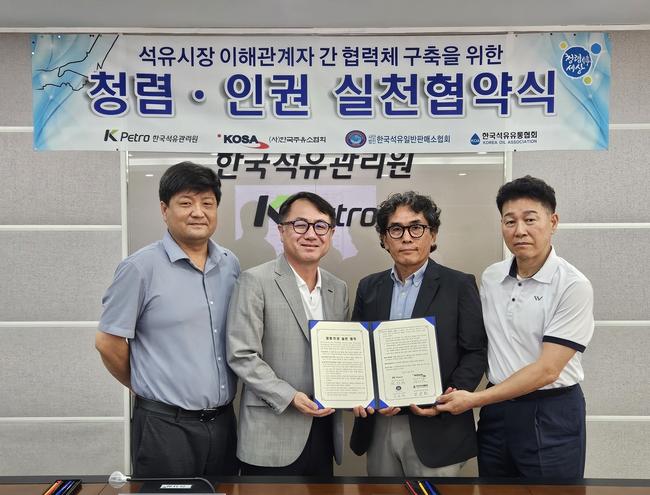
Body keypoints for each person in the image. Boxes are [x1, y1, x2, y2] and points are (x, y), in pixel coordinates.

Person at [436, 176, 594, 478]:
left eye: (530, 219)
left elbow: (548, 370)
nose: (519, 230)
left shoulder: (573, 285)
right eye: (510, 221)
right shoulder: (492, 277)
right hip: (496, 413)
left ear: (553, 222)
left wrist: (474, 400)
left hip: (550, 412)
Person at [95, 162, 240, 477]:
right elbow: (108, 342)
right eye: (186, 203)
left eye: (207, 204)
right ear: (164, 210)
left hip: (223, 423)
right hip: (164, 427)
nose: (198, 212)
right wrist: (143, 384)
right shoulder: (139, 268)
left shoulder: (230, 265)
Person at [350, 191, 487, 477]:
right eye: (396, 229)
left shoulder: (459, 284)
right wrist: (363, 394)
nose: (406, 238)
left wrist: (448, 397)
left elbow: (475, 351)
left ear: (432, 235)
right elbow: (357, 354)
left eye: (416, 228)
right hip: (380, 424)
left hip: (436, 425)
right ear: (384, 239)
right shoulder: (369, 287)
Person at [226, 191, 349, 476]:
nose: (311, 234)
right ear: (281, 231)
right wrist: (290, 396)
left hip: (324, 429)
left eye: (321, 226)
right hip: (272, 432)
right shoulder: (255, 281)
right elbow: (242, 354)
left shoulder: (338, 288)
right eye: (300, 225)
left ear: (331, 234)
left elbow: (342, 355)